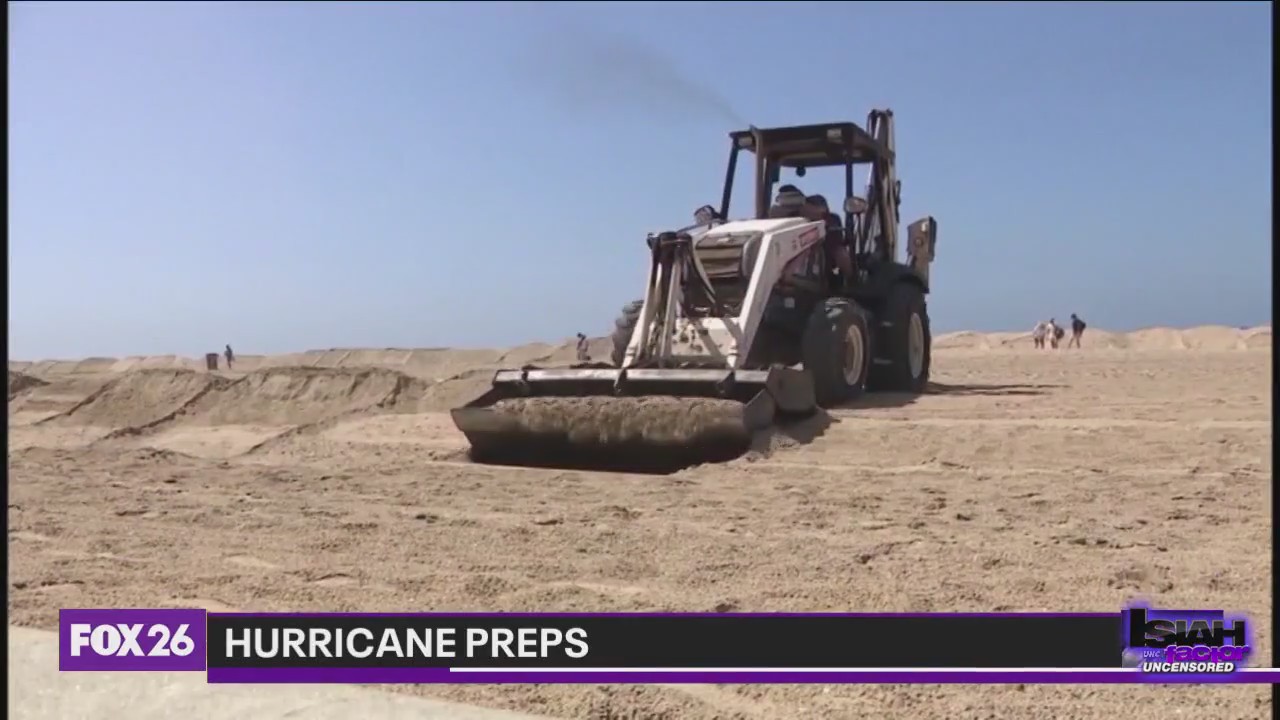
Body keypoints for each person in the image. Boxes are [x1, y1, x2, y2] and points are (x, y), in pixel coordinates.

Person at [802, 194, 855, 286]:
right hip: (804, 253)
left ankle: (852, 283)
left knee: (841, 253)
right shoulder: (800, 221)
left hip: (829, 263)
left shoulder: (832, 220)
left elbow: (837, 244)